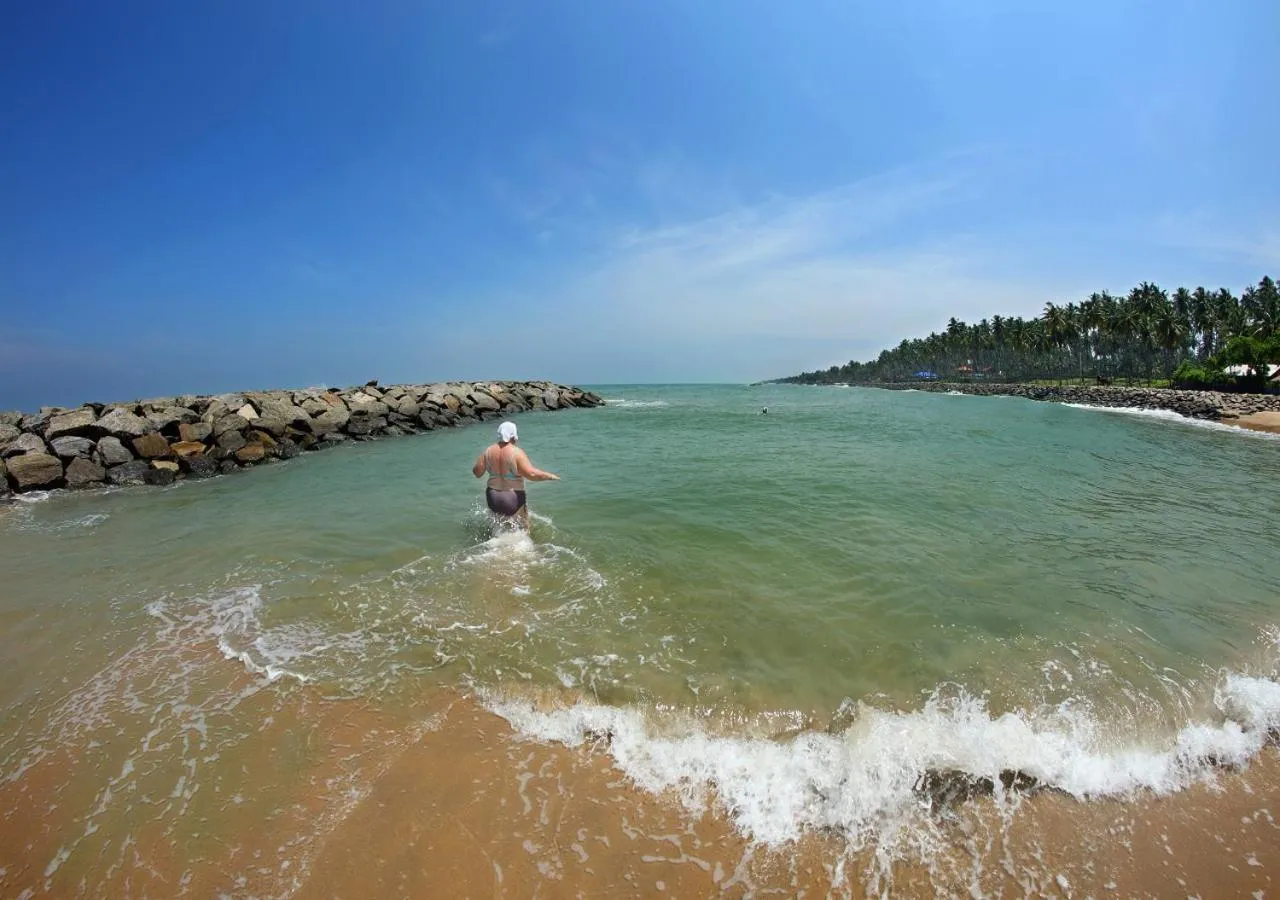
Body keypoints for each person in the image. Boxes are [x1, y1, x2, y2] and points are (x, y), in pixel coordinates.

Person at [472, 421, 559, 528]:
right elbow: (531, 474)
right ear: (513, 435)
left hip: (493, 496)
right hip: (512, 498)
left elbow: (477, 473)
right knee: (523, 527)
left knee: (498, 527)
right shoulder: (516, 452)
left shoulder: (488, 451)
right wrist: (550, 476)